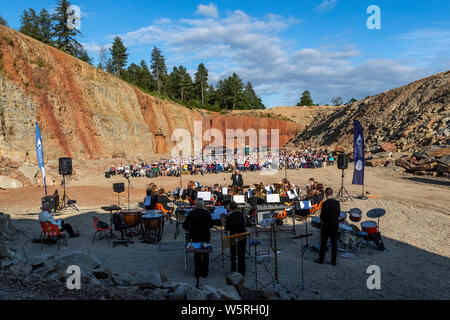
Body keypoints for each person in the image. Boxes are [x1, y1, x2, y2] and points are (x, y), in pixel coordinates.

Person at [183, 199, 213, 285]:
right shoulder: (207, 213)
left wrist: (190, 228)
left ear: (196, 204)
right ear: (203, 204)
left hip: (195, 236)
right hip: (205, 236)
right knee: (206, 255)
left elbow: (185, 225)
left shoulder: (192, 213)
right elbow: (211, 225)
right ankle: (205, 273)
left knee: (197, 255)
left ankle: (197, 273)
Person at [316, 188, 340, 266]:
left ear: (326, 194)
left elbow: (322, 216)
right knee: (334, 244)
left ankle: (321, 259)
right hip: (335, 226)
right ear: (332, 193)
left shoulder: (325, 203)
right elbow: (338, 214)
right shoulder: (337, 203)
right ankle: (333, 261)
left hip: (326, 226)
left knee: (323, 243)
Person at [225, 202, 247, 276]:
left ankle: (233, 270)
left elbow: (227, 227)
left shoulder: (230, 216)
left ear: (230, 208)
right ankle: (242, 271)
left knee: (233, 254)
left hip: (233, 235)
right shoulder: (242, 215)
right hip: (242, 234)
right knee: (242, 254)